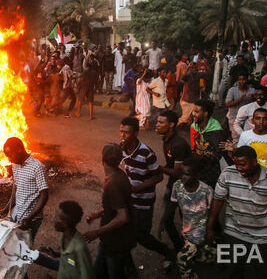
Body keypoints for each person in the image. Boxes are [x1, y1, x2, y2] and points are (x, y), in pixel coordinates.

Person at [206, 146, 267, 277]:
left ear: (254, 161)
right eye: (236, 164)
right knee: (230, 272)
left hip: (262, 237)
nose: (238, 168)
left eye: (242, 164)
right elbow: (218, 200)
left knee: (260, 273)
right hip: (234, 233)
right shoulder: (228, 174)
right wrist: (210, 227)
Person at [119, 117, 173, 270]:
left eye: (126, 133)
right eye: (121, 131)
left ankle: (167, 251)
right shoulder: (122, 148)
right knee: (124, 233)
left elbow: (159, 177)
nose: (122, 135)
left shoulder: (146, 153)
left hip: (144, 201)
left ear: (136, 133)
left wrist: (137, 188)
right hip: (130, 199)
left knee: (140, 236)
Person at [83, 143, 136, 278]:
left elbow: (123, 216)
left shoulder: (113, 183)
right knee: (98, 273)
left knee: (114, 274)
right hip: (109, 239)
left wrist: (97, 232)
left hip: (116, 242)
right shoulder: (118, 175)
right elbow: (115, 205)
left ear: (103, 159)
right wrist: (98, 214)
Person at [162, 157, 214, 279]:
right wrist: (163, 222)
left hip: (200, 233)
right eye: (181, 174)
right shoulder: (177, 186)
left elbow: (212, 214)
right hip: (187, 231)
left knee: (182, 259)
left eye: (187, 174)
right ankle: (209, 256)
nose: (183, 177)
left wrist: (211, 231)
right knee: (203, 256)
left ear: (196, 174)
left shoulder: (206, 191)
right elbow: (171, 207)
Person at [0, 137, 48, 241]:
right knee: (13, 245)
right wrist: (5, 209)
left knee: (24, 249)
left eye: (11, 155)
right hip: (17, 215)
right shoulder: (15, 166)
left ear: (19, 149)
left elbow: (44, 195)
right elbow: (16, 190)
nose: (10, 160)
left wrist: (30, 218)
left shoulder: (37, 167)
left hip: (31, 219)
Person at [156, 110, 191, 252]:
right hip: (174, 184)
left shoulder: (178, 144)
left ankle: (185, 249)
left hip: (184, 186)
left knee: (184, 220)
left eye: (160, 122)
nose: (157, 125)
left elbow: (178, 172)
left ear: (171, 125)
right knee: (167, 219)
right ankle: (179, 247)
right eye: (157, 121)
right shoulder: (166, 138)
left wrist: (156, 168)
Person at [34, 201, 95, 279]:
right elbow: (72, 261)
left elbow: (87, 274)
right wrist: (58, 254)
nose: (53, 219)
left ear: (64, 224)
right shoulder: (66, 236)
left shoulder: (79, 248)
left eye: (56, 217)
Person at [191, 99, 227, 189]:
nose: (193, 114)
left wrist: (200, 156)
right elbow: (194, 147)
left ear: (206, 113)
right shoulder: (194, 126)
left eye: (196, 111)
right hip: (198, 168)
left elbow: (217, 155)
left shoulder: (216, 130)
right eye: (193, 111)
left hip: (212, 171)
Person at [225, 73, 255, 144]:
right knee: (236, 139)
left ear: (247, 80)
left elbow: (257, 104)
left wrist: (253, 99)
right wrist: (240, 99)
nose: (242, 81)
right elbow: (227, 104)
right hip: (234, 118)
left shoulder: (252, 90)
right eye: (240, 79)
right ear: (237, 81)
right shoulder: (232, 90)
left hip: (248, 119)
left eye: (244, 79)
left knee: (248, 139)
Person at [178, 63, 200, 128]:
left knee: (194, 117)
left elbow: (208, 74)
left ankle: (192, 129)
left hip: (193, 100)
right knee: (184, 118)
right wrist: (187, 67)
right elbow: (182, 77)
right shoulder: (188, 76)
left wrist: (205, 65)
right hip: (186, 101)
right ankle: (174, 127)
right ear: (190, 69)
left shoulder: (197, 75)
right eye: (192, 68)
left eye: (195, 68)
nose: (194, 70)